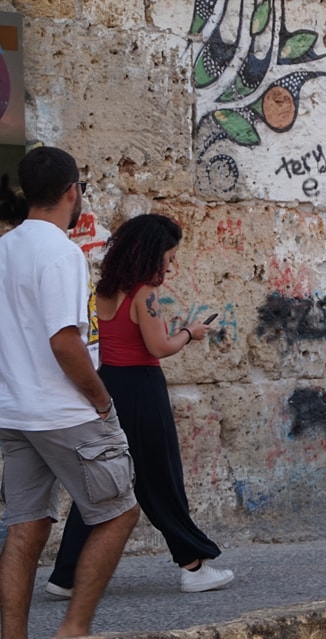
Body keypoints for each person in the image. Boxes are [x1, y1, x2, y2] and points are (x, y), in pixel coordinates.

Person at [46, 213, 234, 597]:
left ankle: (65, 577)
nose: (171, 265)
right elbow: (158, 347)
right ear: (152, 253)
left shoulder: (103, 290)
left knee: (103, 482)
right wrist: (190, 332)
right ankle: (193, 567)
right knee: (162, 478)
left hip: (110, 384)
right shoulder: (144, 293)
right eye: (169, 256)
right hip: (142, 389)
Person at [0, 146, 140, 639]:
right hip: (64, 411)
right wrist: (101, 400)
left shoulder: (4, 248)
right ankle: (74, 629)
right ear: (71, 192)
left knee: (26, 525)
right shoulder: (61, 252)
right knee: (120, 512)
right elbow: (64, 341)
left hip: (16, 412)